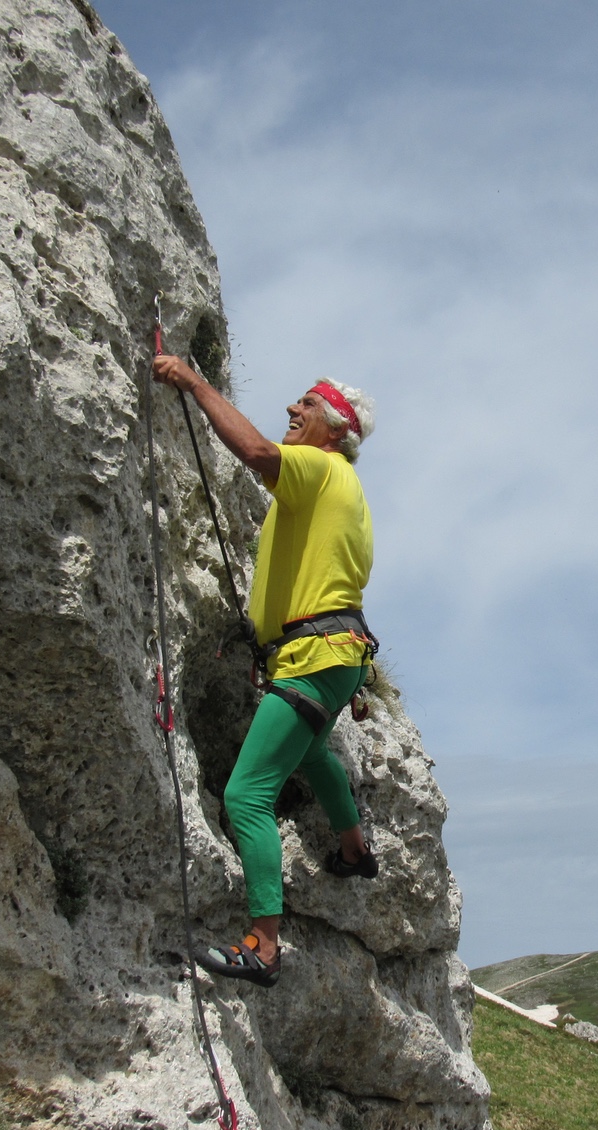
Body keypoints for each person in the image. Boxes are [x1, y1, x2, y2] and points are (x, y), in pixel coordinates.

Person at [152, 354, 379, 988]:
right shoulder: (331, 489)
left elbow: (255, 453)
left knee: (246, 795)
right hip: (328, 656)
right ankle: (355, 850)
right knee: (308, 753)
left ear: (335, 430)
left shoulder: (322, 468)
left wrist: (195, 383)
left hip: (314, 656)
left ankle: (264, 945)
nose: (291, 410)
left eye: (306, 404)